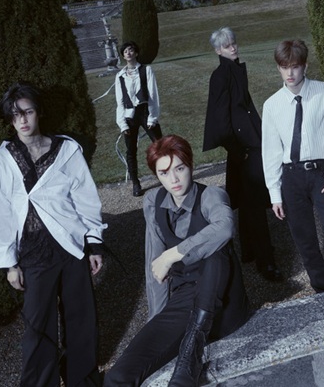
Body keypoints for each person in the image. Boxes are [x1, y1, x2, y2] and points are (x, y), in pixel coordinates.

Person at [0, 82, 107, 386]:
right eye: (16, 115)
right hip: (33, 251)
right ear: (10, 119)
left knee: (81, 318)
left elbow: (85, 197)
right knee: (38, 325)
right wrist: (9, 263)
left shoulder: (67, 150)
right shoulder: (0, 161)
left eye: (27, 112)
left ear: (38, 112)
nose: (23, 120)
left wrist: (93, 243)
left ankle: (82, 379)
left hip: (70, 245)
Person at [104, 134, 249, 386]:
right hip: (185, 299)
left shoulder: (211, 195)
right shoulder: (154, 202)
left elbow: (225, 227)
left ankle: (190, 357)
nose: (174, 179)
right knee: (118, 376)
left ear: (190, 166)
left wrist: (173, 254)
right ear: (156, 176)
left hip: (224, 302)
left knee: (216, 248)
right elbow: (154, 265)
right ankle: (189, 343)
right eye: (164, 173)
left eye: (179, 169)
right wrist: (156, 323)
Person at [262, 40, 324, 292]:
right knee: (305, 242)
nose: (290, 73)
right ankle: (323, 292)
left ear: (305, 65)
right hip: (291, 178)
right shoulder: (272, 105)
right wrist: (275, 193)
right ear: (278, 68)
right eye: (284, 67)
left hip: (323, 174)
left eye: (295, 66)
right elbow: (271, 152)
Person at [203, 27, 282, 282]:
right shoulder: (220, 76)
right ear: (218, 50)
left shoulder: (233, 70)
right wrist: (239, 153)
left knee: (250, 202)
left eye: (234, 43)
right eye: (227, 46)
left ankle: (250, 250)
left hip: (248, 144)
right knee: (255, 203)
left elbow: (242, 109)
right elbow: (220, 120)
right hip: (243, 149)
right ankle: (266, 261)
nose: (233, 47)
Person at [115, 40, 163, 197]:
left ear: (136, 53)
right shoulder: (120, 76)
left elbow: (153, 95)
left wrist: (152, 118)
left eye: (131, 50)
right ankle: (135, 183)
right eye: (125, 51)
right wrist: (123, 124)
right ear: (123, 56)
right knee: (131, 151)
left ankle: (166, 174)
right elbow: (120, 102)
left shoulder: (146, 70)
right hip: (129, 116)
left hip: (145, 112)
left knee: (160, 146)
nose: (128, 53)